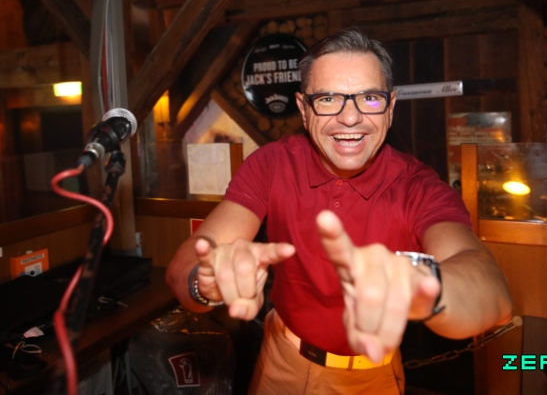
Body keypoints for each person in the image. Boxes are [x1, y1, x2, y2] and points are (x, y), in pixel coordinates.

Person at [166, 28, 512, 394]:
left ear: (390, 107)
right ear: (303, 109)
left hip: (372, 377)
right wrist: (205, 282)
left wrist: (426, 286)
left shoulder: (418, 186)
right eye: (328, 98)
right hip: (280, 360)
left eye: (370, 98)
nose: (350, 118)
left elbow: (493, 294)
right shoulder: (272, 163)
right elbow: (186, 264)